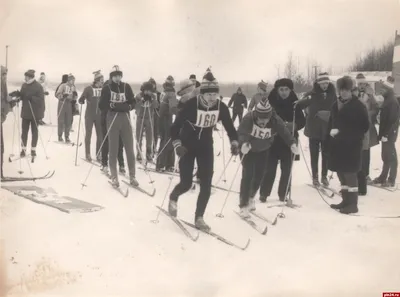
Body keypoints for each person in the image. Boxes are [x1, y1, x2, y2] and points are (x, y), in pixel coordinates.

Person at [168, 70, 239, 231]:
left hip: (206, 146)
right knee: (186, 183)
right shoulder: (192, 105)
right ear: (202, 94)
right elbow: (174, 127)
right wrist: (178, 145)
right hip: (187, 145)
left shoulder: (221, 107)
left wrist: (234, 142)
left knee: (206, 183)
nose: (212, 98)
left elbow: (229, 127)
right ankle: (173, 197)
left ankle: (199, 217)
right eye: (209, 95)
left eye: (215, 94)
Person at [238, 100, 297, 217]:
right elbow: (241, 132)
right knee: (248, 175)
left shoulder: (275, 120)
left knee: (259, 176)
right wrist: (243, 143)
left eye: (265, 119)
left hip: (263, 149)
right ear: (256, 115)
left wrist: (292, 143)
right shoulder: (248, 118)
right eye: (260, 118)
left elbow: (284, 132)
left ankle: (250, 198)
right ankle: (243, 204)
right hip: (248, 149)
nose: (263, 121)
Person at [255, 78, 306, 202]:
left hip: (289, 142)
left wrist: (293, 125)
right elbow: (261, 119)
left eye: (286, 90)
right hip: (272, 140)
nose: (284, 92)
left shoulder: (295, 104)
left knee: (287, 169)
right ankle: (264, 193)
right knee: (269, 169)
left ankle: (283, 194)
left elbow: (302, 121)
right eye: (281, 90)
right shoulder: (269, 102)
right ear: (277, 90)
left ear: (290, 90)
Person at [328, 76, 369, 214]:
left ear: (351, 90)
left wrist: (343, 132)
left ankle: (353, 204)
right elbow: (331, 122)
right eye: (341, 90)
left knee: (350, 174)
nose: (343, 92)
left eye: (346, 90)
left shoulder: (358, 106)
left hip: (352, 146)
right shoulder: (336, 104)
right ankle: (345, 201)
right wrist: (330, 133)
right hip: (338, 146)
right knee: (341, 173)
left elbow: (365, 126)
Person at [99, 65, 137, 187]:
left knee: (130, 149)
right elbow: (101, 105)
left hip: (125, 119)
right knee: (113, 149)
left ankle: (132, 176)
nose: (117, 78)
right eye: (115, 75)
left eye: (119, 75)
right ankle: (114, 177)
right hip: (113, 119)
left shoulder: (126, 86)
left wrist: (128, 107)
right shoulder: (107, 88)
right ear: (111, 77)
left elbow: (133, 102)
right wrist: (111, 105)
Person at [295, 72, 337, 186]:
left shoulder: (333, 94)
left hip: (327, 128)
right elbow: (300, 105)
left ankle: (324, 176)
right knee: (314, 154)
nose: (325, 86)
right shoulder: (311, 94)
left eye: (326, 83)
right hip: (314, 128)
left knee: (326, 153)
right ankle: (315, 177)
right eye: (322, 84)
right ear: (318, 84)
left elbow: (337, 109)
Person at [371, 76, 400, 187]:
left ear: (388, 90)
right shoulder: (387, 100)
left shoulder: (392, 102)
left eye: (383, 89)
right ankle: (383, 177)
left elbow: (393, 121)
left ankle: (391, 179)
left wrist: (386, 134)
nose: (381, 91)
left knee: (391, 157)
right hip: (385, 134)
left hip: (389, 134)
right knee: (385, 156)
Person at [354, 73, 379, 195]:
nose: (361, 86)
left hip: (367, 126)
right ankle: (358, 175)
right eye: (359, 84)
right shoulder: (354, 94)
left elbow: (376, 108)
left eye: (363, 84)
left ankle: (366, 174)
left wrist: (369, 114)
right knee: (357, 151)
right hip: (356, 126)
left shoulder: (370, 94)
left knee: (366, 151)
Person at [11, 70, 45, 158]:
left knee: (34, 132)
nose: (24, 78)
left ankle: (33, 150)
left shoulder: (38, 86)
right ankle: (23, 149)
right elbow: (23, 95)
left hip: (35, 113)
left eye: (26, 77)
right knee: (24, 132)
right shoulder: (24, 85)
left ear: (30, 77)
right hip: (25, 113)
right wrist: (18, 95)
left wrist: (32, 98)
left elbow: (41, 100)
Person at [99, 74, 126, 175]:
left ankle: (121, 164)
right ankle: (104, 163)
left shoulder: (116, 90)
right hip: (106, 119)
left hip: (117, 119)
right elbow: (102, 106)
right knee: (106, 141)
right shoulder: (106, 89)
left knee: (119, 142)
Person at [78, 70, 104, 162]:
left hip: (99, 116)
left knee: (100, 135)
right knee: (88, 134)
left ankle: (98, 154)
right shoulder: (88, 88)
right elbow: (81, 98)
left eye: (103, 80)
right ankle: (88, 154)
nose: (102, 82)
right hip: (89, 115)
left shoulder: (103, 89)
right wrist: (81, 100)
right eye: (101, 80)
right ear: (96, 80)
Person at [156, 76, 178, 172]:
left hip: (161, 118)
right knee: (167, 140)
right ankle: (164, 164)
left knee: (164, 140)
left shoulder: (164, 91)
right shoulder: (171, 93)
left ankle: (165, 164)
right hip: (166, 118)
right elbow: (173, 108)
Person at [135, 80, 159, 162]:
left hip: (149, 118)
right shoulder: (138, 96)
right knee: (139, 136)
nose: (148, 92)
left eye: (149, 90)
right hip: (140, 118)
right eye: (146, 90)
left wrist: (152, 100)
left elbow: (156, 106)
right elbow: (136, 107)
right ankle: (138, 152)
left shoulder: (153, 96)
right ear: (143, 90)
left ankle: (149, 154)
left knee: (149, 137)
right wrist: (141, 101)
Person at [1, 66, 17, 177]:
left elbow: (4, 102)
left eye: (6, 74)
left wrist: (11, 102)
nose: (5, 77)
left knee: (1, 147)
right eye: (3, 74)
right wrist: (9, 103)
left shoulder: (3, 86)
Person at [55, 74, 78, 143]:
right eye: (72, 80)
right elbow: (57, 94)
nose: (73, 81)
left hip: (69, 104)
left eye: (74, 80)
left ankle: (67, 136)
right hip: (62, 103)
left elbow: (75, 98)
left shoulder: (73, 87)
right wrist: (62, 95)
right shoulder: (63, 85)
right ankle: (60, 136)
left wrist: (75, 96)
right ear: (69, 80)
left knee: (68, 120)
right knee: (61, 120)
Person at [149, 78, 161, 153]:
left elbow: (160, 105)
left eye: (153, 84)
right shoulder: (146, 93)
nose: (152, 86)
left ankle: (154, 147)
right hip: (149, 114)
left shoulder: (158, 94)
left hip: (156, 114)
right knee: (149, 132)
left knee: (155, 132)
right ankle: (149, 149)